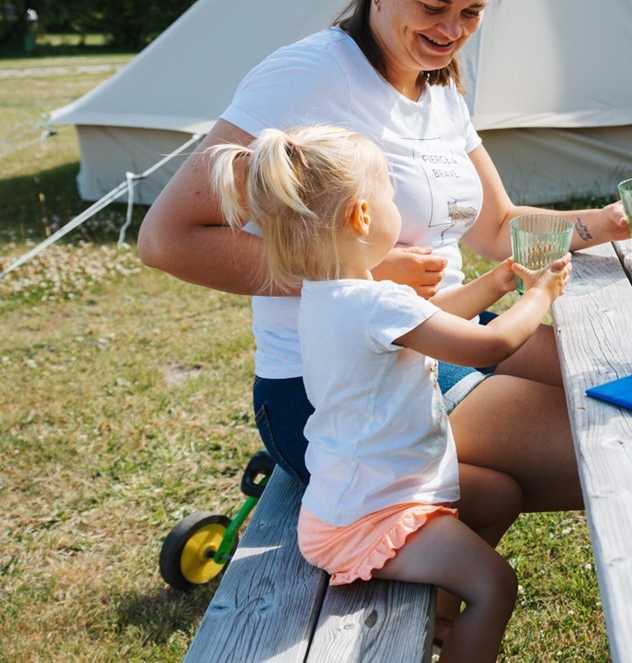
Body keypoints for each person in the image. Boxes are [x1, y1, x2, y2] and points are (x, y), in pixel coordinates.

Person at [139, 0, 632, 515]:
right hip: (341, 388)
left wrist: (605, 223)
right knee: (618, 441)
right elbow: (167, 239)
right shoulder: (309, 77)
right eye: (435, 5)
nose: (452, 31)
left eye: (473, 13)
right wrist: (362, 278)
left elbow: (498, 227)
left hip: (442, 332)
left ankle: (449, 589)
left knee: (618, 379)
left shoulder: (440, 89)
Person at [208, 124, 569, 662]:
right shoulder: (377, 304)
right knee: (496, 587)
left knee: (499, 494)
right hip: (369, 518)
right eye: (391, 196)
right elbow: (493, 342)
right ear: (363, 216)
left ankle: (439, 621)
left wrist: (492, 284)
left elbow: (431, 320)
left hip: (359, 494)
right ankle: (454, 624)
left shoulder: (335, 295)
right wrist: (539, 294)